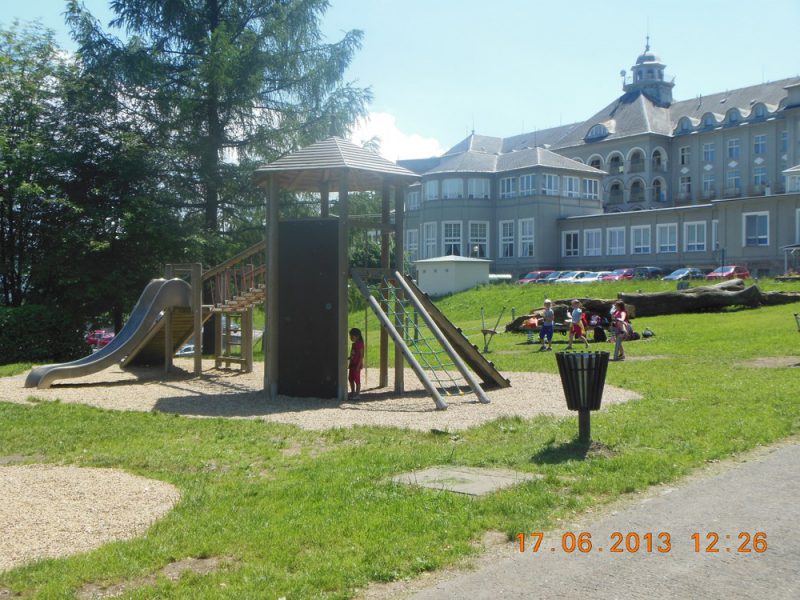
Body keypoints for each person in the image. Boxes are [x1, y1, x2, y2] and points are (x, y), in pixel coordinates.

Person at [348, 327, 364, 399]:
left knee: (357, 379)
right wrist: (349, 358)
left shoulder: (360, 344)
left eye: (352, 336)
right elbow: (353, 354)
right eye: (350, 336)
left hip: (356, 365)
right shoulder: (354, 344)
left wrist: (358, 366)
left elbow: (361, 356)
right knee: (350, 378)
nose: (351, 338)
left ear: (357, 336)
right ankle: (353, 392)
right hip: (352, 364)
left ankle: (357, 394)